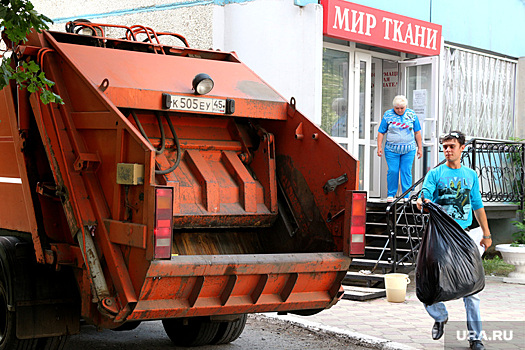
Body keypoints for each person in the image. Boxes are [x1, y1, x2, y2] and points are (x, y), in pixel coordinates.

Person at [416, 131, 492, 350]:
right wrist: (423, 201)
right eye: (445, 146)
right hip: (442, 237)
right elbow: (426, 194)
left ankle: (475, 337)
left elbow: (477, 205)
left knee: (472, 288)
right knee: (429, 280)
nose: (447, 150)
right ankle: (439, 316)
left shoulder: (470, 175)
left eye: (451, 146)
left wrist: (486, 235)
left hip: (466, 236)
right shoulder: (435, 173)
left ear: (462, 148)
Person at [377, 95, 422, 202]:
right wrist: (379, 147)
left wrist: (420, 148)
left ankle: (406, 195)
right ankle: (391, 194)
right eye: (397, 108)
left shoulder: (412, 115)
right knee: (393, 171)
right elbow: (381, 132)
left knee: (406, 171)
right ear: (394, 107)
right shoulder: (388, 115)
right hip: (392, 150)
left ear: (406, 106)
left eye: (402, 108)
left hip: (409, 149)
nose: (400, 110)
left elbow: (417, 132)